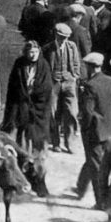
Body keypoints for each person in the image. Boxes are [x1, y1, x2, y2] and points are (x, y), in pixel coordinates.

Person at [74, 52, 111, 207]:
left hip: (93, 130)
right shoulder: (110, 80)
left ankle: (101, 201)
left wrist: (83, 127)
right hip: (107, 128)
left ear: (90, 67)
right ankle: (80, 186)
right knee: (93, 159)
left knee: (96, 165)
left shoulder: (90, 86)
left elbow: (88, 111)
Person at [3, 41, 54, 152]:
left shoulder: (44, 65)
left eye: (36, 52)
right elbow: (13, 84)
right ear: (26, 52)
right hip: (22, 103)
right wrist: (22, 94)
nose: (33, 55)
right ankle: (22, 153)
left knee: (36, 133)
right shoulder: (19, 64)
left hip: (38, 105)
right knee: (21, 129)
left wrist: (34, 93)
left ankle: (36, 155)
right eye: (31, 52)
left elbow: (47, 87)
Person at [45, 22, 81, 153]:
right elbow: (44, 68)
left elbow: (77, 63)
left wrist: (74, 76)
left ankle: (69, 143)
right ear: (55, 35)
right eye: (61, 37)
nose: (63, 40)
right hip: (54, 83)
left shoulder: (72, 46)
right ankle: (55, 142)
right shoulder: (48, 48)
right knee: (54, 113)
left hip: (69, 83)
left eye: (66, 37)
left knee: (71, 112)